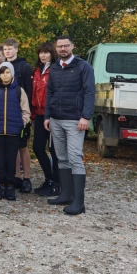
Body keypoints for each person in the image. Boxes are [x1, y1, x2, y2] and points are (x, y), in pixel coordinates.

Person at [46, 35, 94, 215]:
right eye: (60, 47)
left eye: (66, 46)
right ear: (56, 49)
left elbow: (90, 92)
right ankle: (65, 195)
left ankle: (79, 203)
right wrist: (47, 116)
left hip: (75, 120)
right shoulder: (55, 68)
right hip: (56, 119)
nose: (63, 49)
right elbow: (50, 92)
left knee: (75, 157)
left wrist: (86, 117)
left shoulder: (83, 67)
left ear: (72, 46)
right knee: (62, 157)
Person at [0, 62, 31, 201]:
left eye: (7, 72)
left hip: (13, 132)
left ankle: (10, 185)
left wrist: (21, 124)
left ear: (12, 73)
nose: (5, 75)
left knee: (11, 159)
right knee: (0, 159)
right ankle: (2, 185)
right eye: (2, 72)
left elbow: (26, 111)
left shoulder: (19, 91)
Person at [3, 38, 34, 194]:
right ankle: (16, 177)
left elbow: (29, 92)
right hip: (5, 115)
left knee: (22, 147)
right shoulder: (2, 67)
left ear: (16, 49)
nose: (7, 51)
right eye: (5, 49)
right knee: (11, 148)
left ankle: (26, 178)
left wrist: (26, 116)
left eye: (10, 48)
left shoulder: (24, 67)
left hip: (20, 115)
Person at [32, 42, 61, 196]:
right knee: (37, 147)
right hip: (38, 114)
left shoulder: (55, 70)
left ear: (52, 54)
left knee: (54, 150)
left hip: (52, 115)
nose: (43, 55)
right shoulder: (37, 71)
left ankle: (57, 183)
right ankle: (49, 178)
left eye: (46, 52)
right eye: (41, 52)